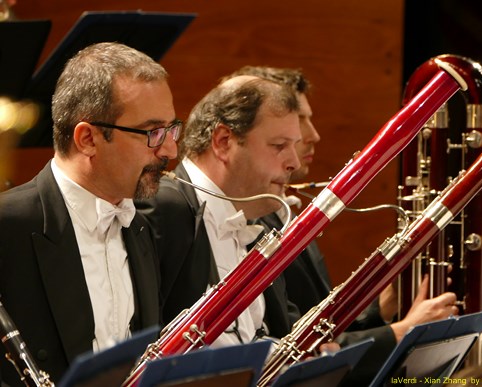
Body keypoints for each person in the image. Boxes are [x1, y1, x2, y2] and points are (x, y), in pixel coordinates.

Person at [226, 65, 459, 385]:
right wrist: (399, 333)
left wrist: (377, 308)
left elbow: (320, 326)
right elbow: (292, 345)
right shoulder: (252, 217)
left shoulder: (281, 210)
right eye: (296, 124)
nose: (312, 136)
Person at [0, 42, 179, 385]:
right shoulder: (9, 226)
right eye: (153, 133)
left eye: (172, 129)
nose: (170, 148)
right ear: (87, 139)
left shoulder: (140, 226)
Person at [137, 75, 303, 346]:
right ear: (224, 141)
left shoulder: (260, 218)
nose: (293, 163)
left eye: (294, 147)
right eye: (279, 146)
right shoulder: (162, 209)